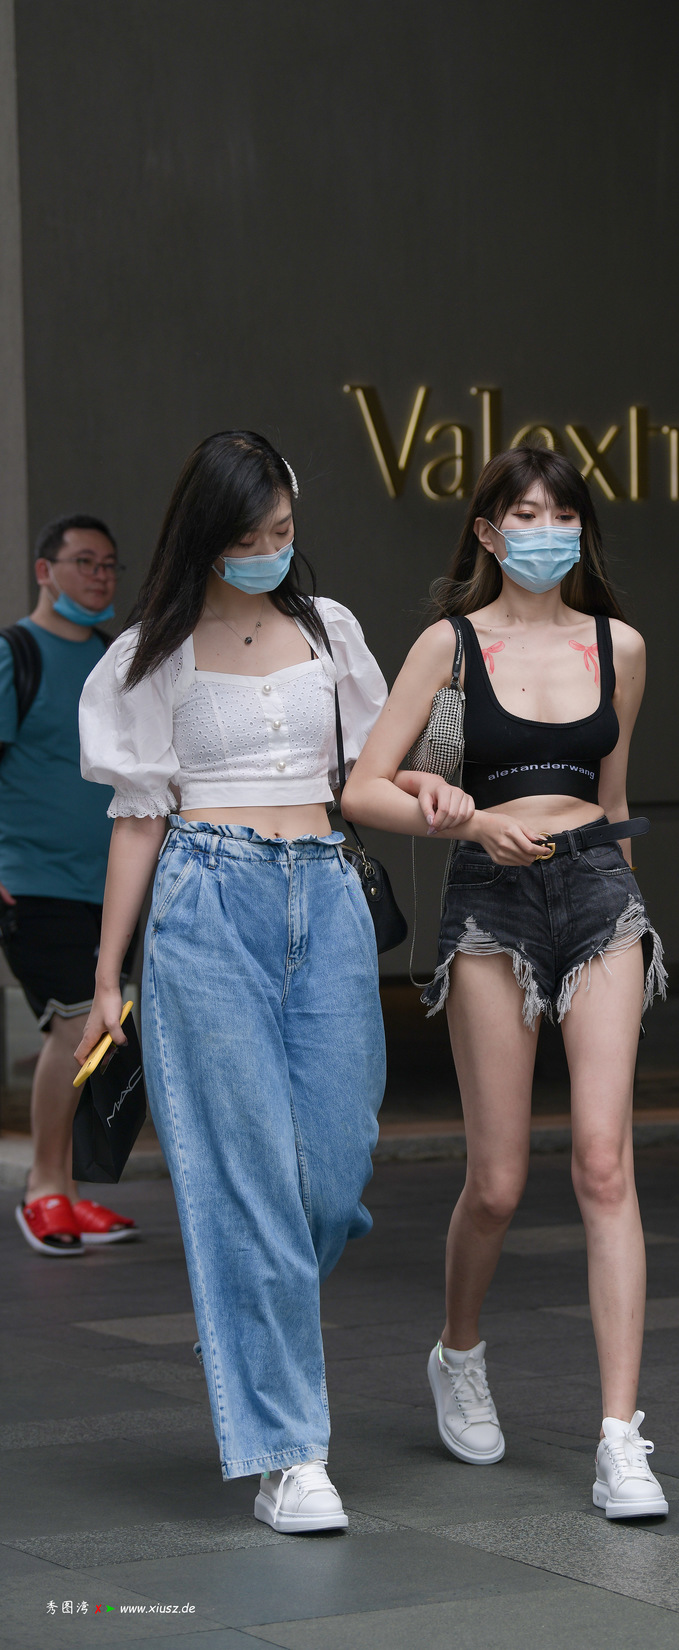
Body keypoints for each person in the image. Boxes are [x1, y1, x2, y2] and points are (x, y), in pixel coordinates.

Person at [76, 431, 468, 1532]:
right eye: (249, 537)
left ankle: (253, 1290)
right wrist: (107, 976)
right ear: (206, 536)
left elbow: (377, 772)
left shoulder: (328, 629)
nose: (269, 551)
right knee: (246, 1181)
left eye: (283, 532)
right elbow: (138, 818)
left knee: (331, 1178)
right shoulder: (152, 654)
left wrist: (432, 794)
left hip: (326, 895)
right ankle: (289, 1458)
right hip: (205, 902)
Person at [342, 445, 670, 1519]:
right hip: (490, 894)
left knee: (604, 1165)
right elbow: (362, 790)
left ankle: (620, 1438)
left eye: (562, 514)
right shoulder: (449, 643)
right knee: (496, 1182)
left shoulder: (618, 645)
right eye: (524, 514)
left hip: (598, 893)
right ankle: (458, 1352)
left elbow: (613, 796)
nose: (546, 531)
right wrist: (467, 819)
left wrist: (626, 909)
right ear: (487, 531)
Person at [0, 514, 139, 1254]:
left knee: (100, 1033)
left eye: (109, 565)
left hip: (110, 887)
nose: (99, 576)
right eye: (84, 562)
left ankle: (74, 1194)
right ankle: (43, 1188)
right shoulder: (14, 653)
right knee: (76, 1021)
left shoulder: (115, 660)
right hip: (34, 881)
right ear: (44, 570)